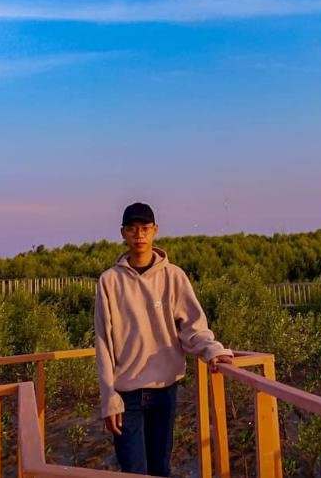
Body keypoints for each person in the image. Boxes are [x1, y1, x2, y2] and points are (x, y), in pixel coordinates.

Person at [94, 202, 233, 476]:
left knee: (160, 468)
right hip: (126, 394)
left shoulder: (173, 277)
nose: (139, 235)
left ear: (155, 231)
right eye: (132, 229)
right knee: (133, 469)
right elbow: (103, 341)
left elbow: (193, 326)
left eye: (145, 229)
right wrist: (107, 395)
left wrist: (211, 350)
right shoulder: (109, 281)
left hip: (164, 391)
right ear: (123, 233)